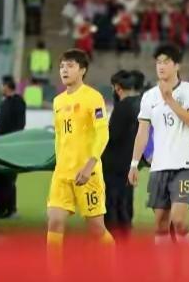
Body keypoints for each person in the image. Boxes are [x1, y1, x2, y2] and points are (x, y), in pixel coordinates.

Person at [128, 44, 189, 245]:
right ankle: (165, 263)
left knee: (179, 221)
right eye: (158, 62)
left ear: (177, 65)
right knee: (160, 224)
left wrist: (170, 100)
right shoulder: (149, 96)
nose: (161, 66)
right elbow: (143, 132)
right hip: (159, 165)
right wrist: (134, 163)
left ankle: (187, 259)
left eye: (166, 62)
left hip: (184, 164)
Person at [46, 49, 114, 250]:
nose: (64, 70)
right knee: (54, 222)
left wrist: (89, 165)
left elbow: (103, 133)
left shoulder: (93, 97)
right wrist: (58, 164)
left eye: (70, 66)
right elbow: (60, 136)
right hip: (62, 173)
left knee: (96, 229)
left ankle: (116, 261)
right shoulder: (58, 101)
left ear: (82, 70)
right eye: (61, 66)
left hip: (87, 173)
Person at [102, 70, 141, 240]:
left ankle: (113, 240)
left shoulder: (122, 107)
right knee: (125, 203)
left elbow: (112, 136)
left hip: (114, 165)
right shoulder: (137, 105)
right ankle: (125, 238)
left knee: (112, 204)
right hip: (128, 163)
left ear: (118, 88)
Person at [0, 76, 26, 219]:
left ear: (7, 86)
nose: (0, 88)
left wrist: (11, 142)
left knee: (8, 179)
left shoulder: (18, 102)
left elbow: (20, 125)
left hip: (10, 148)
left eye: (2, 85)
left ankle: (11, 210)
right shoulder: (4, 103)